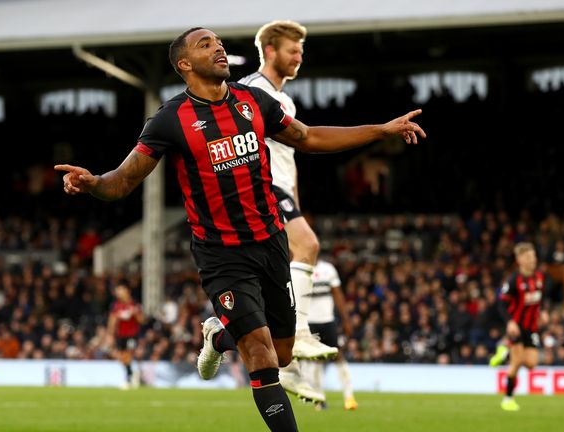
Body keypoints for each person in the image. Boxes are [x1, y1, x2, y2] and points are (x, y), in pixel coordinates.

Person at [56, 26, 425, 432]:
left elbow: (309, 137)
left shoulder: (253, 101)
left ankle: (219, 336)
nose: (219, 48)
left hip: (270, 243)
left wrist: (381, 129)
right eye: (205, 44)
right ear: (184, 65)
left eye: (219, 42)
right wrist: (93, 183)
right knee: (263, 359)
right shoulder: (169, 119)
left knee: (283, 354)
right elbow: (124, 180)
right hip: (222, 255)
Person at [236, 20, 337, 404]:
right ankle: (302, 330)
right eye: (293, 50)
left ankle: (276, 361)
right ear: (271, 51)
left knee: (275, 283)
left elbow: (289, 159)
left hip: (281, 190)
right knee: (309, 246)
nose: (299, 57)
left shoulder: (286, 100)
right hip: (260, 188)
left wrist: (296, 204)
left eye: (301, 51)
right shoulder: (251, 91)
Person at [494, 242, 550, 411]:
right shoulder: (513, 280)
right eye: (528, 257)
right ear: (519, 260)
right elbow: (501, 304)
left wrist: (544, 311)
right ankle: (507, 399)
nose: (532, 260)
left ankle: (504, 352)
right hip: (517, 326)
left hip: (532, 327)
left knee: (532, 363)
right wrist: (510, 322)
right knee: (517, 362)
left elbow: (542, 298)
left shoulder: (540, 277)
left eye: (533, 256)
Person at [302, 257, 358, 411]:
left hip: (328, 321)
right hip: (310, 323)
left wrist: (346, 319)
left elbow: (338, 295)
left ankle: (349, 397)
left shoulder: (328, 269)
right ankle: (319, 398)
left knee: (338, 356)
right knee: (315, 360)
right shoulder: (299, 270)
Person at [105, 282, 144, 389]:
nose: (118, 293)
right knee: (122, 357)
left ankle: (128, 378)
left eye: (120, 290)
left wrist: (135, 313)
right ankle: (133, 373)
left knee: (127, 355)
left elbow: (142, 320)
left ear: (127, 291)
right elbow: (112, 320)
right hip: (120, 335)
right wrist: (110, 335)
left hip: (132, 335)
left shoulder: (134, 304)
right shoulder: (116, 306)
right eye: (117, 291)